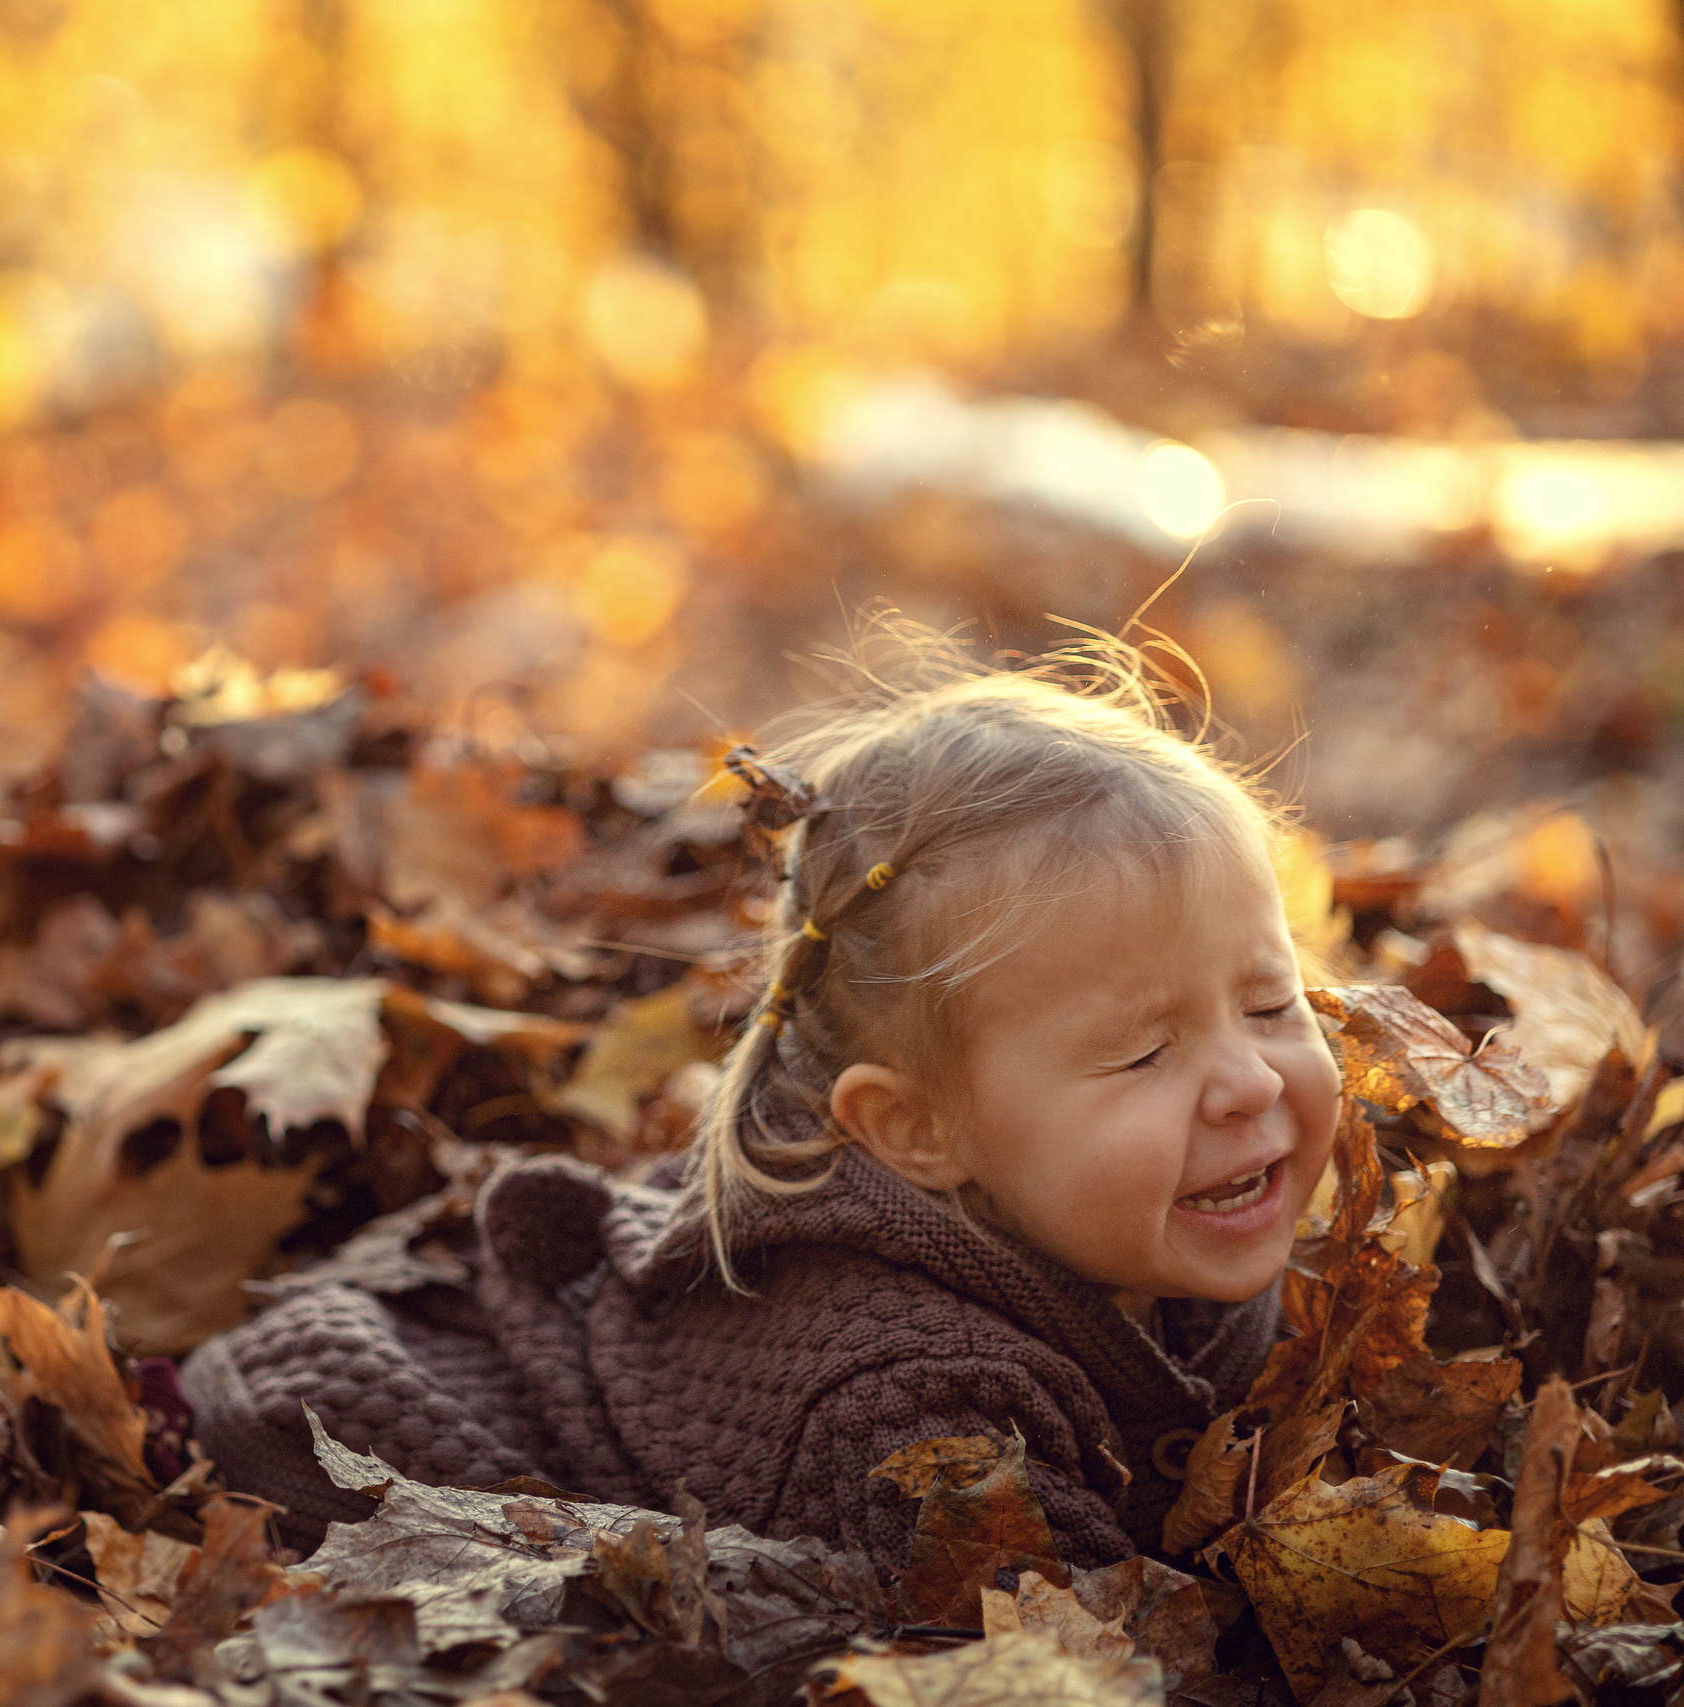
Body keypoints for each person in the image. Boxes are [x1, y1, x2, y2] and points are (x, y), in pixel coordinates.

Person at [180, 636, 1342, 1568]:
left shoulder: (1161, 1213)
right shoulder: (917, 1410)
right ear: (917, 1131)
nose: (1246, 1081)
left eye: (1270, 1001)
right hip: (333, 1439)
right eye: (1142, 1054)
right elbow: (1075, 1657)